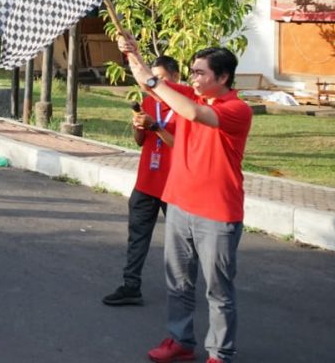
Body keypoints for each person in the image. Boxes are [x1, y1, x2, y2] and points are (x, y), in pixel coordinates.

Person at [119, 36, 252, 363]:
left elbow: (192, 113)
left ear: (222, 78)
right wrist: (132, 53)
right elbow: (147, 82)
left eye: (200, 73)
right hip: (179, 205)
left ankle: (219, 354)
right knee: (178, 282)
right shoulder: (189, 94)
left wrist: (156, 82)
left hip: (217, 214)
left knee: (218, 292)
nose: (192, 78)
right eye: (191, 71)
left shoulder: (237, 109)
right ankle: (180, 341)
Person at [102, 55, 180, 307]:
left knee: (181, 243)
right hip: (146, 182)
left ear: (176, 78)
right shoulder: (148, 102)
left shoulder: (186, 106)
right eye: (151, 80)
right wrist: (139, 125)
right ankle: (131, 286)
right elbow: (140, 141)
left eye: (161, 80)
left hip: (176, 186)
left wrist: (156, 126)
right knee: (137, 237)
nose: (154, 85)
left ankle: (182, 290)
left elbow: (181, 147)